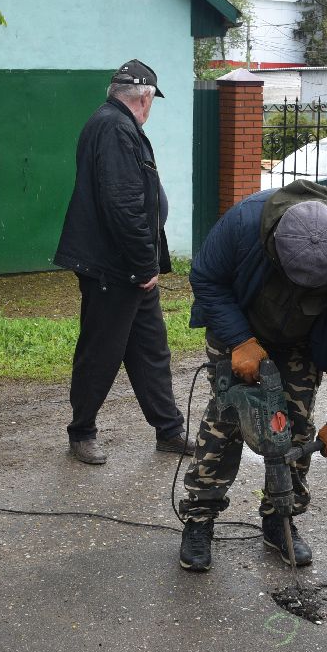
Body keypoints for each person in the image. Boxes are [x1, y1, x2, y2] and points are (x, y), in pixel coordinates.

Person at [176, 180, 327, 572]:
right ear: (274, 247)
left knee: (295, 426)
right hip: (239, 325)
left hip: (304, 341)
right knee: (227, 421)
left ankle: (279, 517)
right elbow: (205, 278)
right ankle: (199, 519)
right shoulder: (243, 223)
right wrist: (240, 340)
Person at [53, 59, 190, 465]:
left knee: (151, 349)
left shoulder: (116, 124)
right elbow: (122, 202)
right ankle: (82, 433)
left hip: (130, 267)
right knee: (101, 351)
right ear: (144, 97)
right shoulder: (114, 127)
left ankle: (168, 430)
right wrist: (145, 265)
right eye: (152, 102)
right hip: (116, 268)